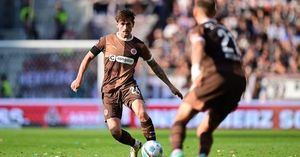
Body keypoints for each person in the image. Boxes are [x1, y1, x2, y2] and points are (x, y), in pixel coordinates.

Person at [70, 9, 183, 157]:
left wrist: (170, 86)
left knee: (142, 113)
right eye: (122, 24)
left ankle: (152, 147)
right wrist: (79, 78)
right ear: (117, 24)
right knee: (115, 131)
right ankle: (135, 145)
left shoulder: (139, 45)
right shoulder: (106, 40)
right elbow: (88, 57)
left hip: (128, 86)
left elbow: (154, 66)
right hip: (109, 90)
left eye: (128, 24)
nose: (125, 27)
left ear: (133, 25)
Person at [169, 0, 246, 157]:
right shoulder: (226, 31)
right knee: (204, 129)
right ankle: (203, 154)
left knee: (180, 119)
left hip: (216, 76)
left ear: (196, 12)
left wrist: (196, 70)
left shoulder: (200, 29)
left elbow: (198, 47)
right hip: (238, 81)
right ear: (214, 12)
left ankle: (177, 152)